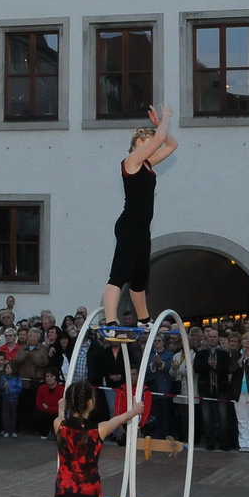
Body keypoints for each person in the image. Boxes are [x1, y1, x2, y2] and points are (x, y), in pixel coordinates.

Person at [101, 107, 177, 334]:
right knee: (119, 274)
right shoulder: (131, 161)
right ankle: (111, 320)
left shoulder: (147, 164)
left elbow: (171, 145)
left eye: (148, 143)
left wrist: (158, 126)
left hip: (142, 228)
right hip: (129, 225)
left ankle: (143, 318)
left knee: (140, 278)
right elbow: (161, 139)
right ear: (134, 147)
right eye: (142, 144)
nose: (147, 147)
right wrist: (165, 120)